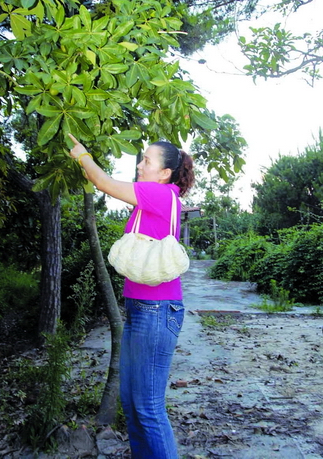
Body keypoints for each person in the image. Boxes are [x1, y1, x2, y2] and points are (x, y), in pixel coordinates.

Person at [68, 133, 195, 459]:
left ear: (164, 172)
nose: (140, 165)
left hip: (156, 310)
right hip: (141, 309)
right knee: (132, 403)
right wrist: (84, 164)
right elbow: (98, 180)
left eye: (147, 161)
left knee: (149, 408)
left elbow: (103, 181)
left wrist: (83, 154)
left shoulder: (160, 194)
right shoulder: (155, 196)